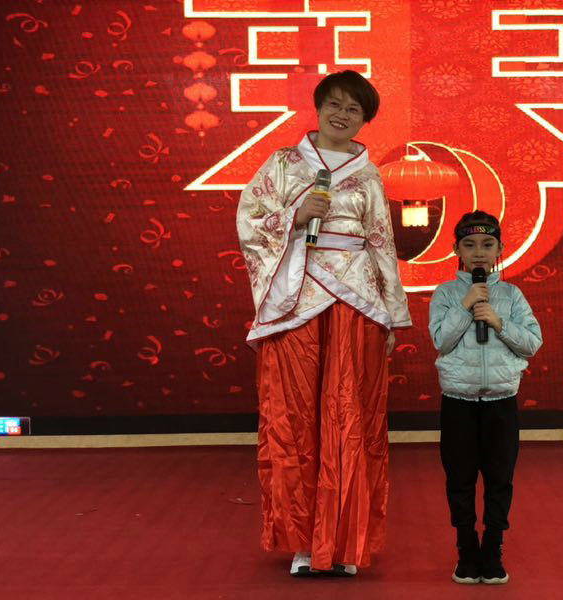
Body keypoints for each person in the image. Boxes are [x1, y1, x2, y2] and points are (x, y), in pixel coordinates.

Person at [236, 70, 412, 577]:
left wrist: (392, 314)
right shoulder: (283, 163)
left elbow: (381, 242)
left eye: (354, 109)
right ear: (318, 107)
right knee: (295, 420)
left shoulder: (368, 175)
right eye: (334, 104)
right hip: (297, 299)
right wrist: (294, 214)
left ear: (364, 119)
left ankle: (344, 541)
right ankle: (303, 542)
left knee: (349, 418)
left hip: (356, 302)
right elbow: (250, 220)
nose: (342, 114)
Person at [428, 210, 542, 585]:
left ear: (500, 249)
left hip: (501, 402)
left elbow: (532, 343)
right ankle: (466, 549)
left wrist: (498, 321)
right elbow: (441, 341)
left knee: (499, 479)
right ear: (457, 250)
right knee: (459, 479)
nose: (479, 252)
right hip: (458, 401)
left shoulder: (511, 295)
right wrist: (466, 306)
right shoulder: (446, 294)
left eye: (487, 244)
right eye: (470, 244)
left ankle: (492, 549)